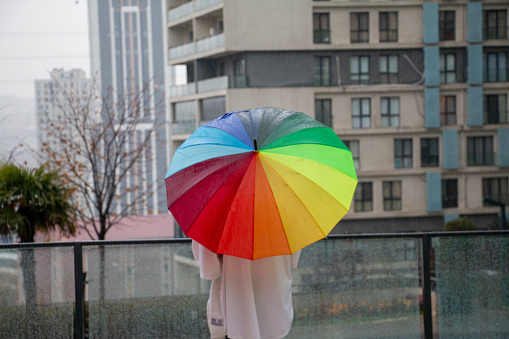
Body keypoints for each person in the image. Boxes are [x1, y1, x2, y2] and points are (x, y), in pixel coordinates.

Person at [192, 240, 301, 339]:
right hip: (275, 301)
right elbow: (294, 249)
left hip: (234, 309)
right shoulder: (289, 217)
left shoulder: (215, 217)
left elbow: (210, 268)